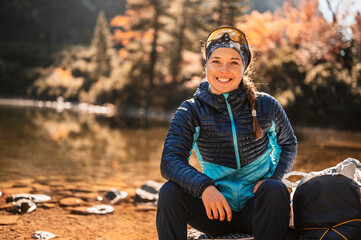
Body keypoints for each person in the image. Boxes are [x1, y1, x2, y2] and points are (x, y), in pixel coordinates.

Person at [156, 26, 297, 240]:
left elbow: (287, 144)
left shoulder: (265, 105)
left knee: (275, 190)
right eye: (216, 61)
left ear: (244, 67)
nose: (224, 70)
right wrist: (204, 188)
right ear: (206, 65)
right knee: (168, 193)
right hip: (215, 213)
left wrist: (272, 178)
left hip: (256, 209)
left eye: (234, 62)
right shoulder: (191, 110)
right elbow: (170, 161)